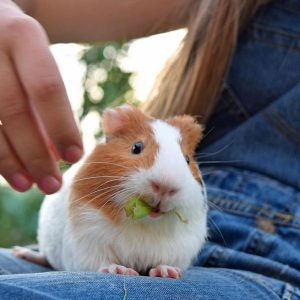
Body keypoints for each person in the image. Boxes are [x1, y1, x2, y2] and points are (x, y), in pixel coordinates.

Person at [0, 0, 300, 298]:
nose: (164, 182)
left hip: (270, 265)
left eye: (184, 159)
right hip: (65, 258)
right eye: (137, 149)